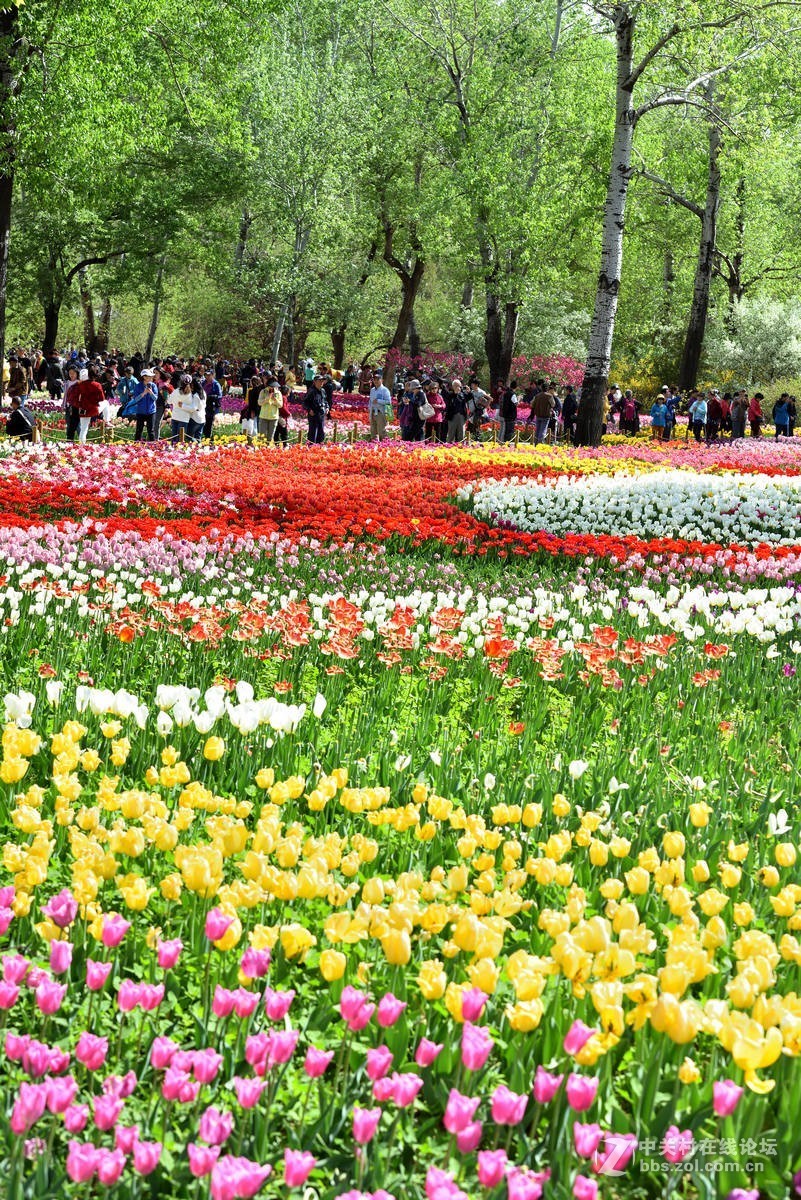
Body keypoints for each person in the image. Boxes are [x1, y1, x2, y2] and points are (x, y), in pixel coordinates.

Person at [73, 367, 105, 443]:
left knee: (83, 428)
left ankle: (81, 445)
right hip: (93, 408)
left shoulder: (80, 385)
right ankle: (107, 420)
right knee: (106, 403)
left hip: (83, 408)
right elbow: (102, 398)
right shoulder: (97, 385)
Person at [170, 374, 205, 441]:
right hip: (202, 418)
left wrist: (182, 405)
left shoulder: (195, 395)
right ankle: (198, 450)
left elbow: (193, 408)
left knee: (189, 437)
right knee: (198, 438)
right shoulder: (203, 393)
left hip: (195, 418)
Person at [132, 367, 159, 441]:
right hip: (140, 411)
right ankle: (136, 446)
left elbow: (155, 398)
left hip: (151, 411)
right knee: (139, 430)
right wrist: (143, 393)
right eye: (149, 376)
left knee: (151, 431)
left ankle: (153, 447)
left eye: (151, 376)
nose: (151, 377)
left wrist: (150, 392)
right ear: (144, 377)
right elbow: (136, 399)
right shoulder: (138, 386)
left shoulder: (153, 386)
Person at [304, 375, 330, 444]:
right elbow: (305, 402)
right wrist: (309, 410)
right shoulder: (311, 391)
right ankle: (311, 447)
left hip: (321, 414)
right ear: (315, 382)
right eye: (319, 381)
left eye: (322, 381)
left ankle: (318, 448)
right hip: (313, 415)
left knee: (321, 432)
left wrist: (327, 407)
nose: (321, 382)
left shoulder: (323, 391)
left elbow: (325, 401)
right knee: (313, 433)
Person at [368, 370, 392, 440]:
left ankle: (384, 446)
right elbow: (370, 401)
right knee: (373, 431)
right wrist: (369, 408)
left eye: (378, 379)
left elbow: (388, 402)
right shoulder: (372, 390)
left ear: (382, 380)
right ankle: (374, 447)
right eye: (374, 379)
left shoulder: (385, 390)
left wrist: (379, 401)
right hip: (373, 412)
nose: (376, 381)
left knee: (382, 432)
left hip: (381, 413)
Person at [444, 378, 468, 443]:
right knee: (451, 433)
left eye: (459, 386)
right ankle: (449, 446)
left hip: (461, 416)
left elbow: (469, 397)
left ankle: (461, 447)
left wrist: (469, 391)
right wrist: (455, 393)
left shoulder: (463, 394)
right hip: (452, 416)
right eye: (456, 386)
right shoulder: (450, 394)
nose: (458, 387)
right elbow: (449, 401)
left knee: (461, 433)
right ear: (453, 386)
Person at [202, 368, 223, 441]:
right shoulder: (203, 383)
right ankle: (204, 437)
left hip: (212, 406)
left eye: (209, 375)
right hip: (203, 405)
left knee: (209, 422)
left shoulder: (216, 384)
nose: (207, 377)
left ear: (213, 375)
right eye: (206, 375)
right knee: (203, 421)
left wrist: (211, 397)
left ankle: (208, 438)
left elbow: (220, 396)